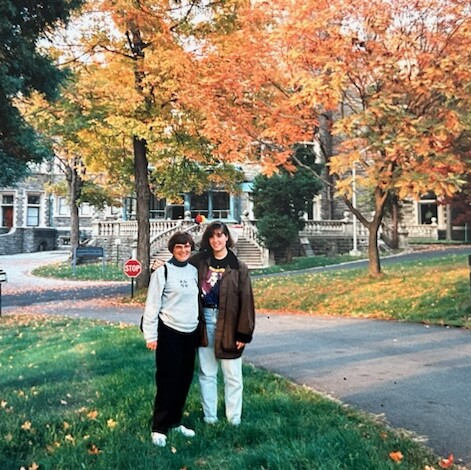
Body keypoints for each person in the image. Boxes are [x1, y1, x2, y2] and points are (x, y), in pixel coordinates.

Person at [191, 221, 255, 426]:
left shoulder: (238, 267)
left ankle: (233, 419)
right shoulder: (200, 262)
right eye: (212, 236)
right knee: (207, 373)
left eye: (220, 235)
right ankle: (210, 418)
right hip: (204, 322)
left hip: (229, 324)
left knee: (232, 375)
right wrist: (160, 266)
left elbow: (247, 301)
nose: (216, 240)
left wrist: (243, 333)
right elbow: (178, 265)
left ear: (227, 237)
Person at [141, 231, 200, 447]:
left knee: (184, 380)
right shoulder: (162, 272)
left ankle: (175, 421)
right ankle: (159, 427)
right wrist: (151, 335)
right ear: (172, 249)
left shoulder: (194, 272)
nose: (184, 251)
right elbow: (152, 306)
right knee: (167, 380)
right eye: (179, 247)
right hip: (169, 332)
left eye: (187, 247)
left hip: (190, 333)